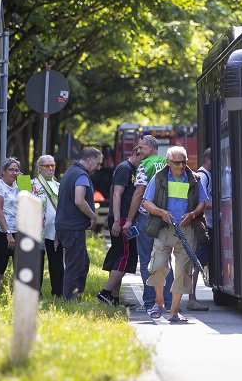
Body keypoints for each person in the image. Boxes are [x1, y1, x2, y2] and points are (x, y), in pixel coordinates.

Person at [143, 146, 207, 323]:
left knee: (183, 271)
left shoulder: (195, 179)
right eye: (177, 162)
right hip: (164, 229)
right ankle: (159, 303)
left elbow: (202, 202)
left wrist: (193, 214)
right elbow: (146, 203)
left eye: (184, 162)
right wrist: (161, 212)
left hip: (187, 230)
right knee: (157, 266)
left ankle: (174, 311)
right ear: (168, 162)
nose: (181, 166)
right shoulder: (159, 178)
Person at [127, 135, 172, 315]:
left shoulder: (144, 166)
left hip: (148, 218)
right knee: (165, 259)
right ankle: (168, 300)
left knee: (147, 260)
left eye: (142, 147)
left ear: (152, 148)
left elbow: (139, 193)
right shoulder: (168, 164)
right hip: (167, 217)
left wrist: (130, 219)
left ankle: (150, 301)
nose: (139, 150)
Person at [96, 146, 143, 307]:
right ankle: (105, 293)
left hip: (122, 218)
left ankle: (114, 299)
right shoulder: (125, 169)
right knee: (125, 255)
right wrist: (117, 220)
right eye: (143, 158)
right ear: (136, 154)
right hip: (122, 218)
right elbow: (117, 194)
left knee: (118, 255)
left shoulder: (130, 169)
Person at [56, 147, 103, 300]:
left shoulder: (70, 171)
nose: (99, 167)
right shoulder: (81, 175)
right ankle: (71, 299)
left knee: (82, 263)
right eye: (97, 163)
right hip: (73, 227)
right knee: (75, 265)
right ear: (88, 160)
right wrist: (93, 216)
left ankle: (76, 296)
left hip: (66, 226)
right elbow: (79, 200)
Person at [0, 157, 21, 293]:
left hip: (20, 230)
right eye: (11, 170)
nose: (14, 172)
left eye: (16, 170)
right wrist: (8, 233)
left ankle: (16, 295)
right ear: (4, 171)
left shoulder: (19, 186)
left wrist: (23, 179)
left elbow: (29, 198)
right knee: (1, 264)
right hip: (4, 231)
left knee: (19, 265)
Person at [31, 154, 63, 298]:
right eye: (47, 166)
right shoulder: (31, 184)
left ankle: (58, 293)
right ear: (39, 168)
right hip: (36, 232)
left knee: (56, 264)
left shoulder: (58, 185)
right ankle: (35, 293)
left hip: (55, 231)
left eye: (53, 165)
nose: (51, 168)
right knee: (36, 263)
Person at [187, 148, 213, 311]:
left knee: (198, 261)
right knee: (196, 262)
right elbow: (200, 201)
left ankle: (192, 297)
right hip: (203, 225)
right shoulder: (203, 176)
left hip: (207, 224)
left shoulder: (206, 175)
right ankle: (192, 298)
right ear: (209, 160)